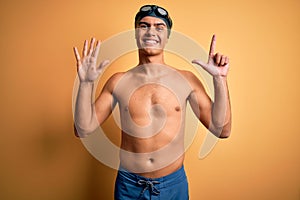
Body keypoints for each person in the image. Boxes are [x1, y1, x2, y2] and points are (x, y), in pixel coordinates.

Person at [73, 4, 231, 200]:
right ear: (136, 33)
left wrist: (220, 79)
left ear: (167, 36)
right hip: (129, 186)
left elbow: (222, 130)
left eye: (159, 27)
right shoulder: (118, 81)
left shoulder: (186, 80)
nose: (151, 31)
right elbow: (83, 129)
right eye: (144, 26)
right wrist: (86, 83)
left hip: (173, 186)